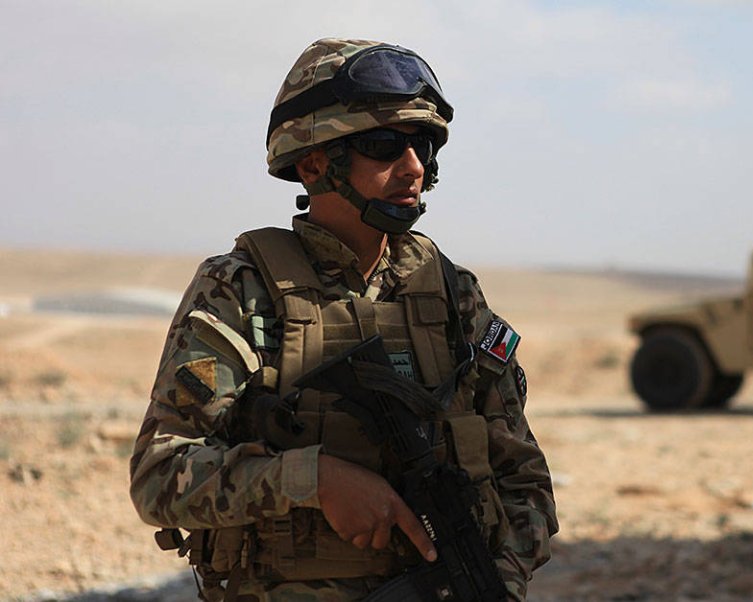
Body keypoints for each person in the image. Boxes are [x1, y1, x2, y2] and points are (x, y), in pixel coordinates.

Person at [128, 38, 558, 601]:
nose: (414, 167)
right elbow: (160, 476)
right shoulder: (244, 289)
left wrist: (500, 578)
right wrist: (315, 480)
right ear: (313, 164)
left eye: (424, 145)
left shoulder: (453, 295)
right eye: (384, 146)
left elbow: (526, 483)